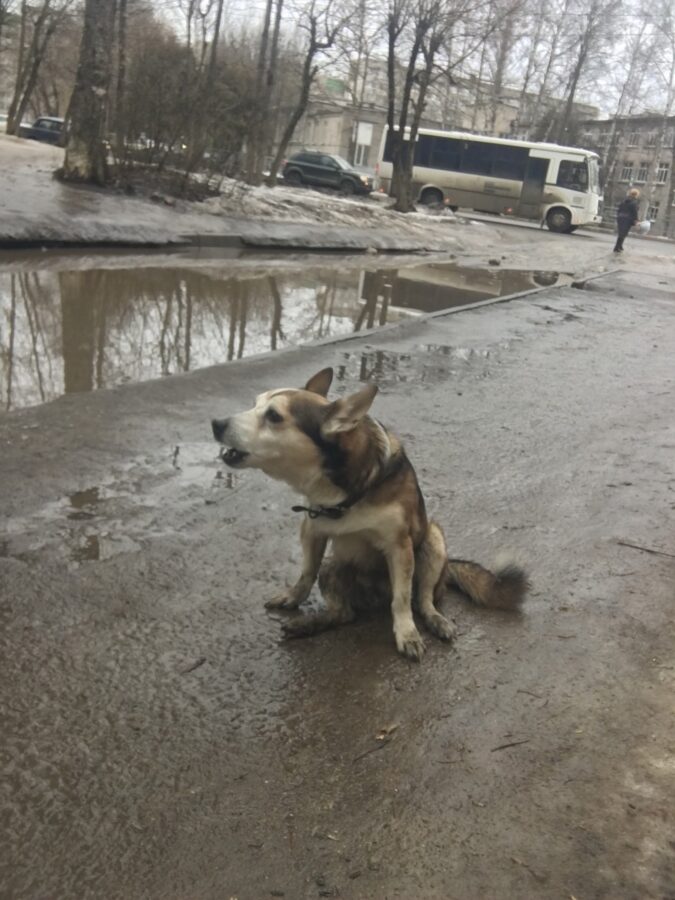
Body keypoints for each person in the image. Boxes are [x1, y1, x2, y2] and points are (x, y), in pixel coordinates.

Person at [614, 188, 640, 253]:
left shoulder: (624, 201)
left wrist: (618, 216)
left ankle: (619, 246)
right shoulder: (634, 203)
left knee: (621, 233)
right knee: (623, 233)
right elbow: (634, 212)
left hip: (620, 218)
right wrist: (636, 220)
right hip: (627, 219)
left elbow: (619, 209)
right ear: (636, 195)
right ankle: (617, 247)